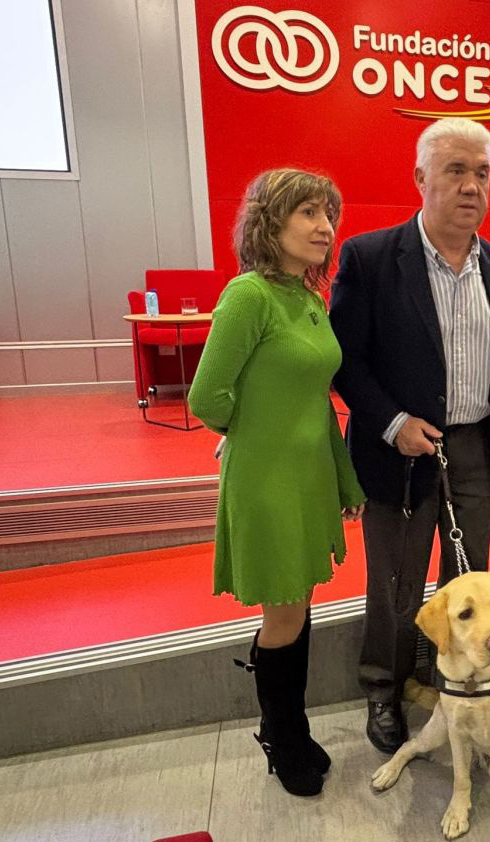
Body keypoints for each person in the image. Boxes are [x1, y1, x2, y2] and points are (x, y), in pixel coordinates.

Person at [329, 118, 490, 754]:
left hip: (475, 449)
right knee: (397, 582)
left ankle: (457, 683)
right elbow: (345, 360)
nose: (471, 186)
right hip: (399, 449)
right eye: (456, 171)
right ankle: (384, 686)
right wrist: (392, 422)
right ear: (421, 178)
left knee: (470, 581)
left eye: (481, 173)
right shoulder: (372, 258)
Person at [188, 169, 366, 796]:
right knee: (285, 612)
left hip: (309, 475)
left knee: (299, 605)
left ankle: (290, 725)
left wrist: (342, 479)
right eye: (309, 214)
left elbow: (318, 402)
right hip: (266, 482)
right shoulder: (249, 295)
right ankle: (280, 734)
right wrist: (253, 434)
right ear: (272, 222)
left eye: (328, 215)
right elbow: (206, 397)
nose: (325, 227)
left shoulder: (309, 298)